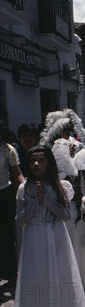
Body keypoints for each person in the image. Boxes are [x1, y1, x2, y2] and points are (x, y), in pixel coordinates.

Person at [11, 145, 85, 307]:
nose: (37, 164)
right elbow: (19, 220)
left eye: (41, 160)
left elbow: (66, 215)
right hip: (34, 239)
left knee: (60, 279)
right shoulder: (24, 188)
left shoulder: (60, 186)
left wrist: (45, 200)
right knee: (37, 281)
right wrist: (33, 205)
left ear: (49, 163)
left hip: (56, 236)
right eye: (32, 161)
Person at [0, 122, 24, 285]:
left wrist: (23, 191)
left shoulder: (8, 150)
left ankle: (9, 271)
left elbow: (17, 174)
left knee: (6, 234)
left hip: (4, 194)